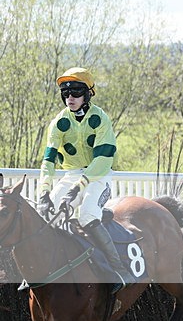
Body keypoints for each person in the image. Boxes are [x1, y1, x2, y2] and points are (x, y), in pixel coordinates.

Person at [37, 67, 136, 289]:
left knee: (87, 214)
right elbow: (49, 160)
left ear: (88, 94)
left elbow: (102, 160)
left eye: (76, 93)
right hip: (72, 175)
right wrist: (43, 191)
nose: (70, 98)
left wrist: (80, 186)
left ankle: (118, 271)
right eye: (66, 93)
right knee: (45, 214)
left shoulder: (101, 119)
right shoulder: (58, 123)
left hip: (98, 176)